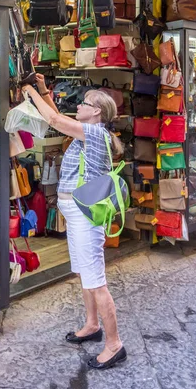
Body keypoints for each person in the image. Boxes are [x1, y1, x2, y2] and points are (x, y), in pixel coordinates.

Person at [21, 74, 126, 370]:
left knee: (95, 280)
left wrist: (28, 91)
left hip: (84, 218)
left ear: (97, 112)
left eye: (84, 103)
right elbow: (58, 115)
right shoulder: (89, 130)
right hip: (75, 213)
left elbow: (55, 120)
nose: (78, 105)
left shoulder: (95, 134)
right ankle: (92, 325)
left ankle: (114, 344)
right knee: (83, 274)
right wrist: (42, 91)